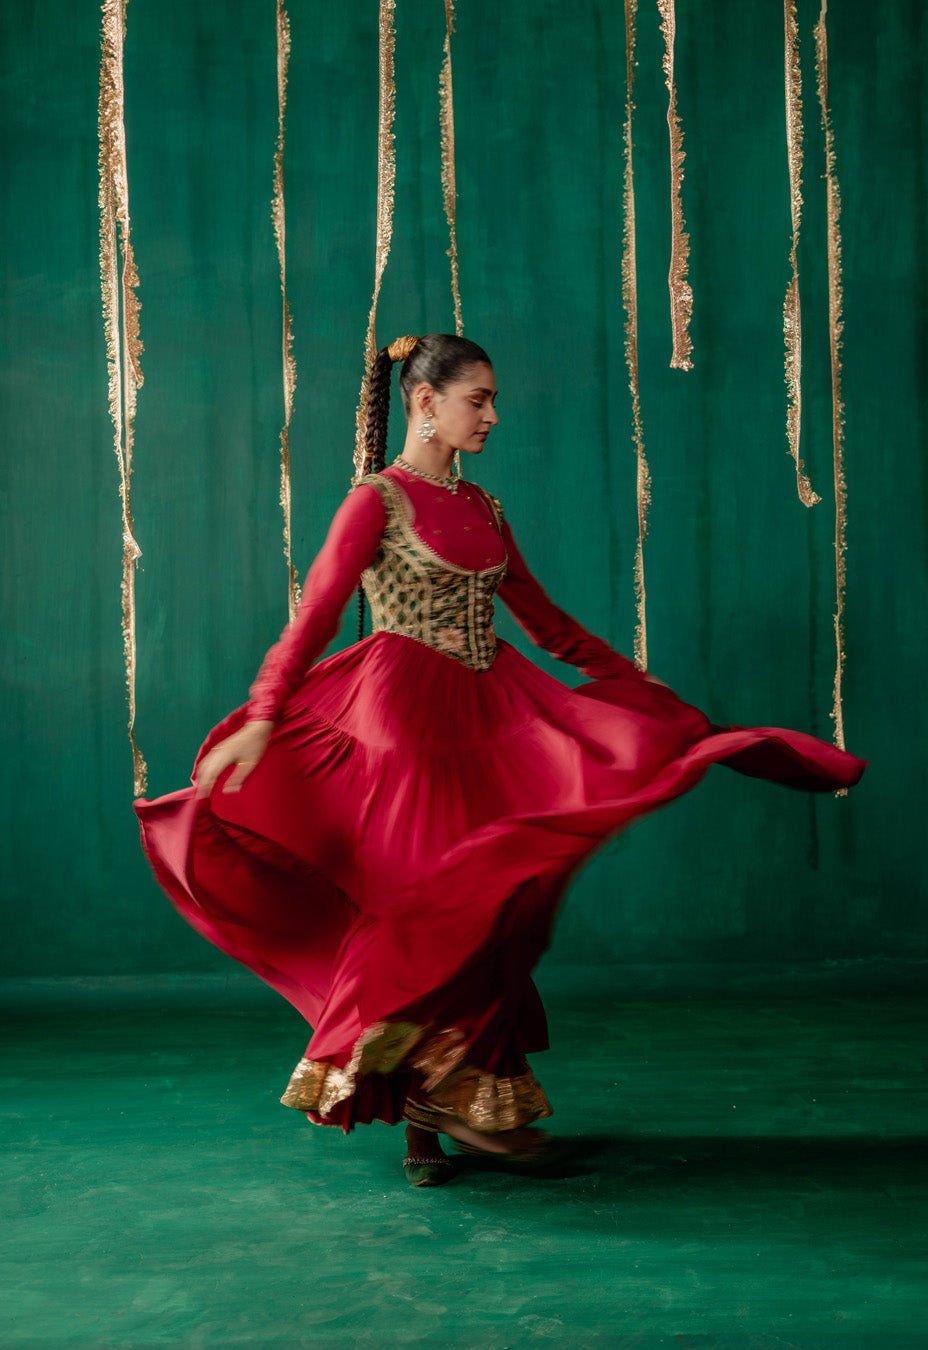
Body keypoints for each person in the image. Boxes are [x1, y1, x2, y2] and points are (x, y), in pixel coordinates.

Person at [135, 333, 866, 1187]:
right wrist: (263, 715)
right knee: (428, 909)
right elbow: (315, 619)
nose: (490, 413)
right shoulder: (375, 503)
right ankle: (423, 1117)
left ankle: (454, 1099)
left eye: (490, 398)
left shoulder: (483, 509)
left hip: (489, 713)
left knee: (504, 904)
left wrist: (646, 696)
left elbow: (549, 624)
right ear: (424, 404)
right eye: (476, 398)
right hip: (404, 721)